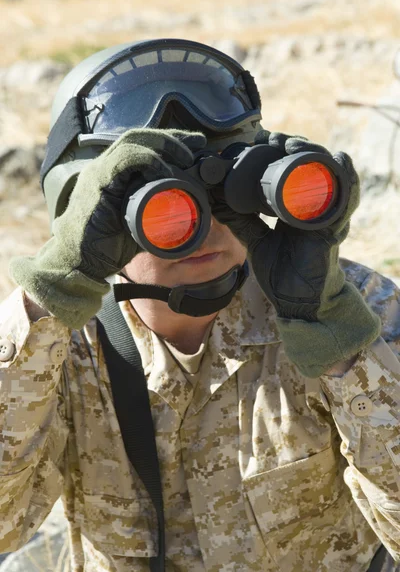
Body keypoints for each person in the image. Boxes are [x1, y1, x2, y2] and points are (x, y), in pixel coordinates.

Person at [0, 37, 399, 572]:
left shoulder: (356, 312)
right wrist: (50, 291)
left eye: (221, 200)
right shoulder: (51, 344)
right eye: (167, 212)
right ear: (84, 215)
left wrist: (335, 343)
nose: (205, 228)